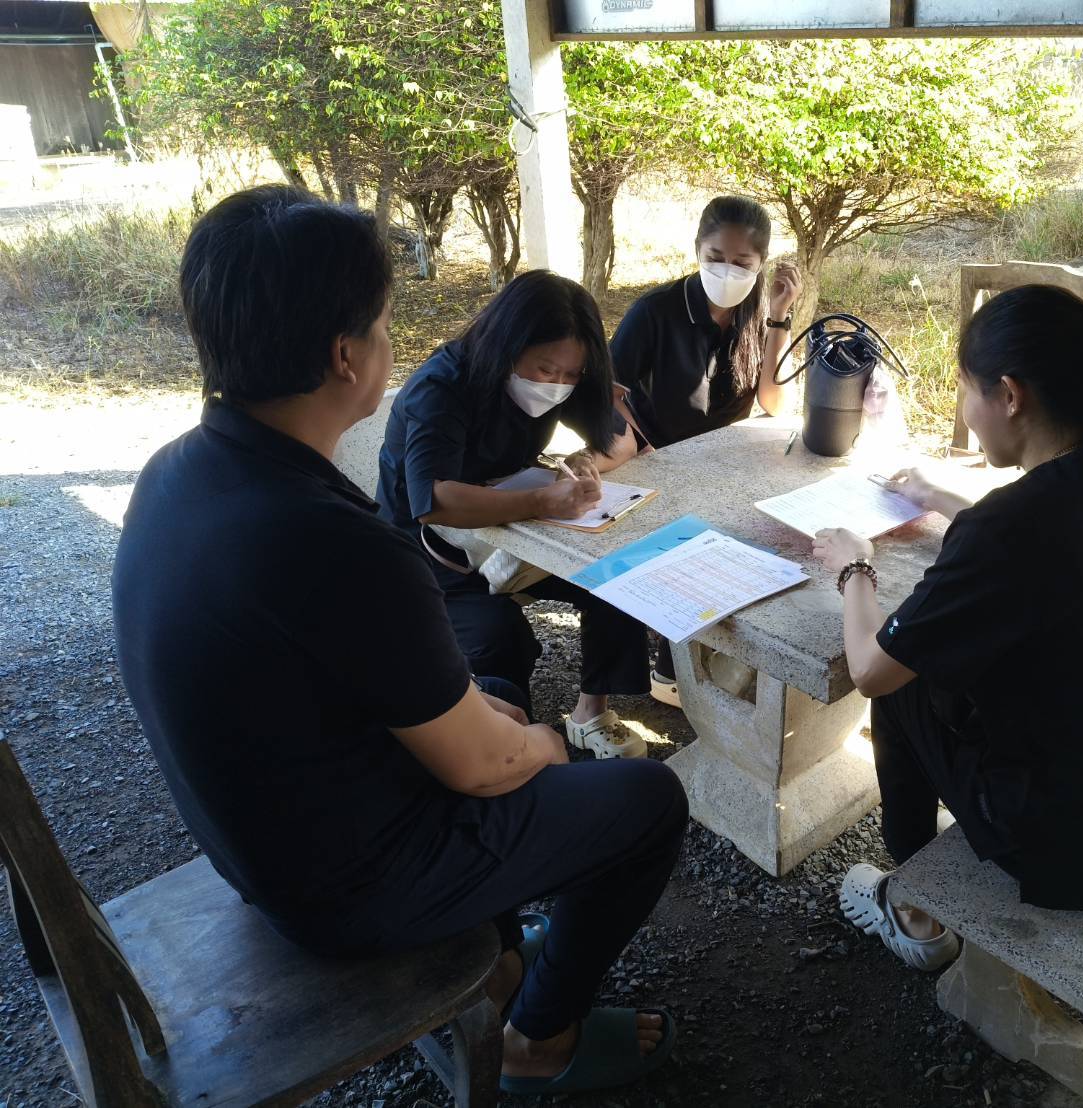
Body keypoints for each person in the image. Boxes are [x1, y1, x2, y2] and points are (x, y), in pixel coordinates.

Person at [112, 186, 685, 1094]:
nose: (390, 343)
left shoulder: (178, 471)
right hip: (344, 890)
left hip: (262, 838)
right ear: (345, 357)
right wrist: (544, 745)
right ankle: (539, 1039)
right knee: (644, 800)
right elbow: (483, 769)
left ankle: (501, 971)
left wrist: (494, 717)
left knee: (495, 692)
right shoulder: (332, 540)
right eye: (382, 324)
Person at [813, 285, 1083, 970]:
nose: (966, 410)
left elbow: (869, 669)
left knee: (905, 677)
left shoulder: (1006, 528)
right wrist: (940, 497)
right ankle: (923, 887)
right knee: (950, 664)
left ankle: (913, 902)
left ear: (1009, 395)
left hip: (1079, 856)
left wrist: (854, 566)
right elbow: (1051, 541)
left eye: (965, 390)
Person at [376, 270, 652, 759]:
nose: (557, 385)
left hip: (513, 532)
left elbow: (622, 440)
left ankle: (590, 712)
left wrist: (585, 461)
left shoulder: (560, 376)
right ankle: (508, 748)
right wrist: (543, 500)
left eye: (572, 375)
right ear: (507, 346)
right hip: (426, 550)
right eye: (546, 370)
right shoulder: (441, 388)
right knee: (498, 636)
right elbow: (434, 501)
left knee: (617, 576)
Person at [609, 195, 803, 705]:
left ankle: (711, 663)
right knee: (690, 557)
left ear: (760, 263)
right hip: (659, 463)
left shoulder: (757, 311)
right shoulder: (656, 311)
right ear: (697, 249)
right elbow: (607, 389)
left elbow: (774, 402)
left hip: (726, 464)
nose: (727, 270)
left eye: (742, 262)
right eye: (715, 257)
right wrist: (641, 446)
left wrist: (779, 317)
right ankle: (674, 666)